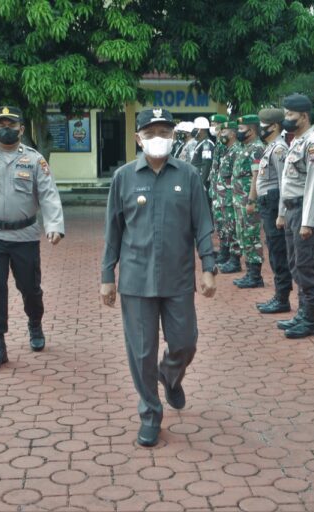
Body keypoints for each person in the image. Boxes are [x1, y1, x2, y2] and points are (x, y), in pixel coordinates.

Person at [101, 108, 217, 448]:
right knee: (141, 352)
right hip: (136, 280)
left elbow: (203, 224)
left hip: (178, 277)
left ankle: (170, 375)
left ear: (173, 136)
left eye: (165, 132)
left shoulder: (189, 175)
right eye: (151, 133)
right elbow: (113, 230)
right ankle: (150, 414)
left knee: (185, 342)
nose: (158, 139)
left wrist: (208, 266)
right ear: (138, 138)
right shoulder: (123, 177)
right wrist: (107, 274)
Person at [0, 106, 65, 371]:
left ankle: (35, 323)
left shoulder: (34, 159)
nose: (6, 128)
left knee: (30, 288)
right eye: (1, 123)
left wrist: (54, 225)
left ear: (21, 129)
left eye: (12, 124)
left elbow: (48, 194)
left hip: (25, 236)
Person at [276, 93, 314, 339]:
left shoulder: (313, 143)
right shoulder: (296, 141)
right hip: (292, 210)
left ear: (304, 116)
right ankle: (301, 313)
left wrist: (308, 221)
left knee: (307, 265)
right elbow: (288, 182)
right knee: (295, 263)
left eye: (290, 115)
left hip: (305, 212)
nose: (286, 119)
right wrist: (283, 212)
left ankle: (310, 319)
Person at [255, 108, 293, 313]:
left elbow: (282, 182)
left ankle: (283, 297)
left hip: (273, 202)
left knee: (278, 251)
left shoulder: (279, 149)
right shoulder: (271, 147)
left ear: (275, 126)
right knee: (273, 250)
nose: (261, 129)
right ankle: (279, 294)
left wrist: (281, 213)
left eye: (264, 125)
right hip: (267, 203)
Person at [231, 115, 266, 288]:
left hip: (248, 199)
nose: (239, 132)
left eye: (242, 129)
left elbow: (256, 177)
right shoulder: (245, 147)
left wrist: (252, 200)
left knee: (251, 236)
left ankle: (256, 276)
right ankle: (249, 272)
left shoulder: (257, 148)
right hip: (239, 199)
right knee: (243, 235)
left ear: (251, 130)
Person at [216, 121, 243, 274]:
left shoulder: (236, 150)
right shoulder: (228, 150)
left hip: (231, 196)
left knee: (233, 228)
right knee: (227, 227)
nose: (221, 135)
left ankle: (235, 260)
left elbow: (236, 177)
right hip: (224, 197)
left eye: (224, 132)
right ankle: (229, 257)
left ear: (232, 134)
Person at [208, 114, 230, 264]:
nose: (213, 126)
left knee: (225, 221)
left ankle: (226, 252)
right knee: (219, 222)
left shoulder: (223, 145)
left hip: (224, 189)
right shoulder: (217, 143)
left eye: (216, 124)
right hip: (217, 187)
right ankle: (223, 249)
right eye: (212, 123)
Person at [189, 116, 215, 190]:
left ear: (202, 130)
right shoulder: (201, 142)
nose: (193, 131)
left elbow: (206, 164)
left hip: (202, 181)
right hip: (197, 179)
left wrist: (202, 183)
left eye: (196, 129)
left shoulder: (206, 144)